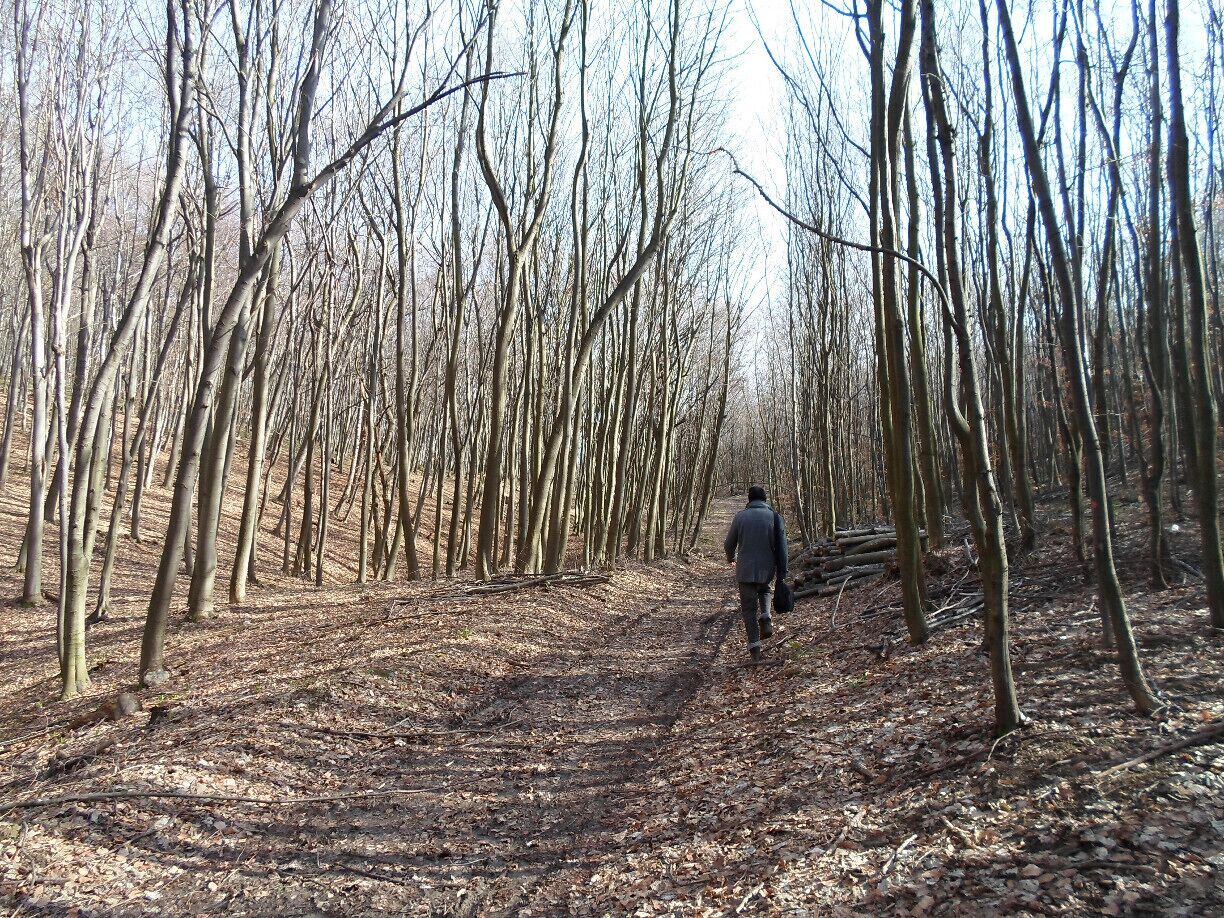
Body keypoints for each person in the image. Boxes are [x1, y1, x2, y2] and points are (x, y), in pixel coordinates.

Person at [724, 485, 787, 662]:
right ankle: (766, 614)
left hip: (744, 569)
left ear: (749, 500)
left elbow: (729, 543)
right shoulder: (775, 517)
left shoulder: (740, 517)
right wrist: (783, 570)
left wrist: (731, 558)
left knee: (748, 610)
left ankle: (755, 649)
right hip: (767, 568)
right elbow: (782, 546)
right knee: (765, 588)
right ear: (765, 500)